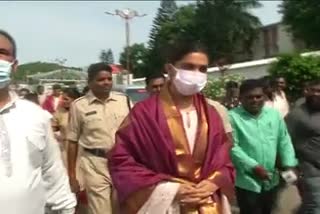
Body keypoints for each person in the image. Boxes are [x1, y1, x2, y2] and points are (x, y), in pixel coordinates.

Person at [108, 41, 235, 214]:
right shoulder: (144, 114)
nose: (196, 74)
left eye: (202, 69)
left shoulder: (212, 114)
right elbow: (121, 162)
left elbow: (224, 161)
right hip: (165, 206)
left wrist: (214, 182)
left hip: (207, 203)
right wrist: (170, 190)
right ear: (169, 69)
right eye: (188, 67)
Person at [0, 30, 76, 214]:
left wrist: (66, 208)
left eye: (1, 53)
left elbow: (53, 173)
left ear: (14, 65)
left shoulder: (35, 116)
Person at [67, 62, 131, 214]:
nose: (106, 83)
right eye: (101, 80)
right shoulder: (79, 106)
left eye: (109, 79)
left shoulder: (124, 101)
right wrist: (71, 175)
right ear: (90, 82)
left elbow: (136, 131)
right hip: (94, 165)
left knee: (125, 207)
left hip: (123, 162)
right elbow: (72, 141)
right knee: (100, 210)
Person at [229, 79, 298, 214]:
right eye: (249, 97)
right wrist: (253, 166)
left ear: (265, 97)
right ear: (241, 98)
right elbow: (232, 147)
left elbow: (284, 140)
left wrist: (289, 164)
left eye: (258, 96)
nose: (254, 100)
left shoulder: (273, 115)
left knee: (270, 210)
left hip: (271, 178)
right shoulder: (231, 117)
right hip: (247, 180)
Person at [286, 79, 320, 214]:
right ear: (307, 92)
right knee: (316, 206)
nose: (317, 94)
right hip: (310, 171)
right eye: (314, 90)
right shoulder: (297, 115)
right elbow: (284, 142)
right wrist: (289, 172)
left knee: (309, 206)